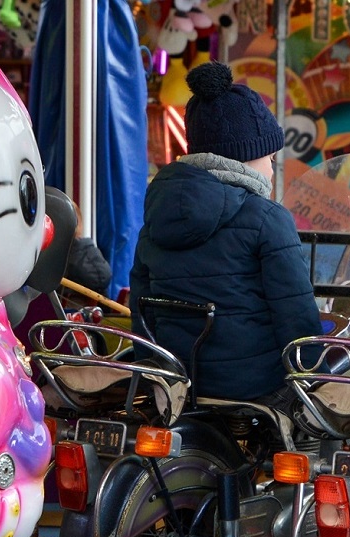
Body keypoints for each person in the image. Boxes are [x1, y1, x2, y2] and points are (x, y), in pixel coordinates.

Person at [128, 61, 322, 406]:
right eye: (271, 157)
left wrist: (156, 370)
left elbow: (141, 308)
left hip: (176, 385)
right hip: (254, 389)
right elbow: (296, 319)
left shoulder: (157, 213)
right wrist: (312, 378)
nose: (273, 167)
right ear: (245, 158)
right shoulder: (268, 218)